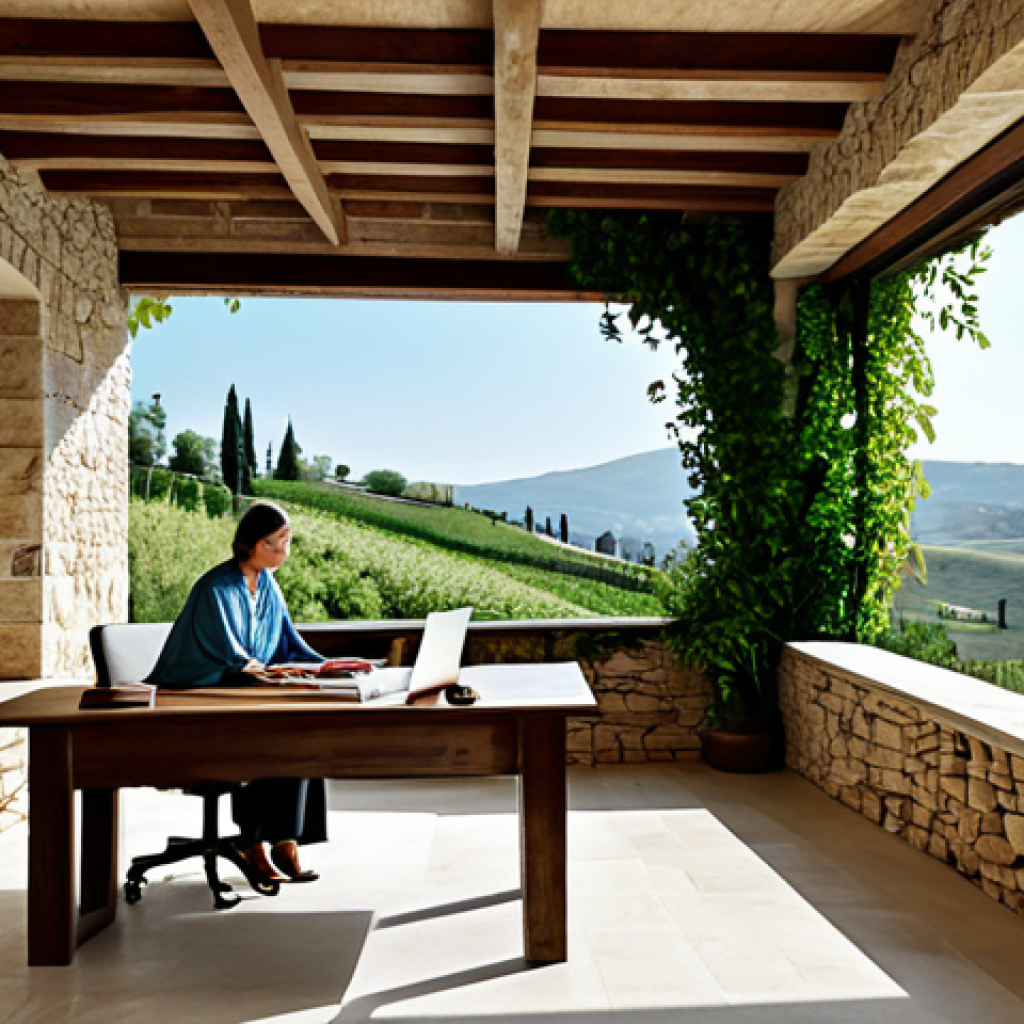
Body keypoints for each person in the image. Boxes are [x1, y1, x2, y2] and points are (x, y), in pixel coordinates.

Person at [146, 500, 325, 884]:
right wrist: (262, 671)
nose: (285, 550)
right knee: (264, 733)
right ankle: (253, 842)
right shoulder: (216, 588)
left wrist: (329, 667)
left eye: (288, 540)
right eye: (278, 540)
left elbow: (289, 646)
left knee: (305, 728)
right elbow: (231, 657)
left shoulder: (269, 586)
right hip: (193, 711)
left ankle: (285, 839)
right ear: (253, 543)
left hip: (243, 694)